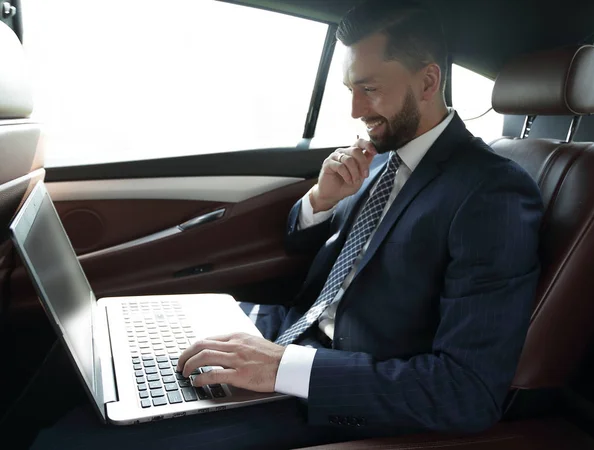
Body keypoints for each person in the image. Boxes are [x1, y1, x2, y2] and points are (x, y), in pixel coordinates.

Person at [14, 0, 543, 448]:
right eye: (350, 89)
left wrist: (283, 369)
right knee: (90, 347)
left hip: (341, 382)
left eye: (370, 89)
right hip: (290, 327)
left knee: (73, 441)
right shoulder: (384, 156)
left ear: (428, 81)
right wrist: (320, 199)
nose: (356, 108)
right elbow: (309, 244)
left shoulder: (492, 194)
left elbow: (467, 393)